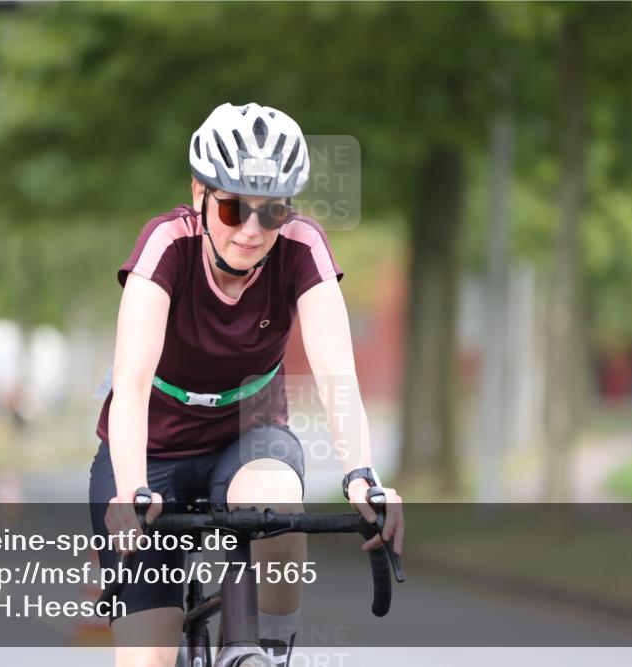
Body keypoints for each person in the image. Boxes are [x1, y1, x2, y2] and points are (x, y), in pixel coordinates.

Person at [89, 102, 405, 667]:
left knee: (277, 503)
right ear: (199, 194)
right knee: (148, 659)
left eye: (273, 211)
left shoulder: (302, 247)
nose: (253, 230)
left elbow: (338, 374)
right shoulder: (166, 246)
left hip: (246, 435)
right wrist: (131, 493)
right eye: (234, 208)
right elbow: (132, 385)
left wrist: (363, 475)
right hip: (150, 453)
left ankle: (271, 652)